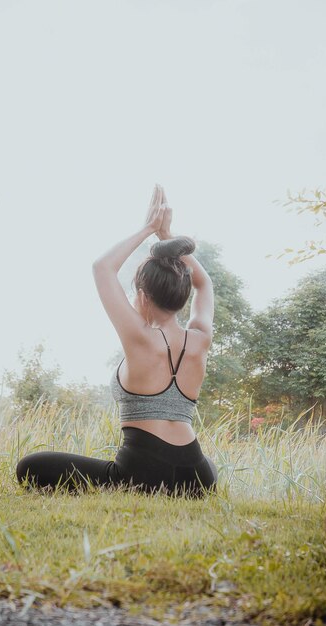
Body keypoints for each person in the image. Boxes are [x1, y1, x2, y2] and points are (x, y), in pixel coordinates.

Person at [16, 184, 218, 499]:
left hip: (144, 472)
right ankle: (190, 483)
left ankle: (142, 482)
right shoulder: (200, 339)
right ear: (182, 295)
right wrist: (168, 236)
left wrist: (149, 228)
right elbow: (204, 284)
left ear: (141, 294)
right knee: (205, 466)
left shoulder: (140, 337)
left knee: (30, 467)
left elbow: (102, 267)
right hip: (197, 476)